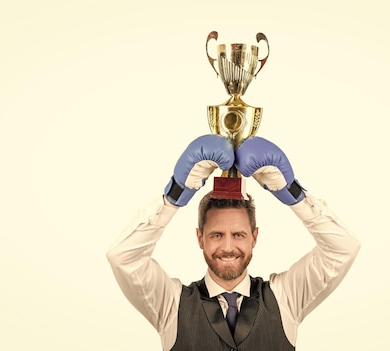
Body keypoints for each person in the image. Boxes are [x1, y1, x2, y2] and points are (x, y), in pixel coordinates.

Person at [107, 134, 361, 350]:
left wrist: (293, 193)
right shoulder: (170, 303)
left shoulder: (286, 297)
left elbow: (343, 249)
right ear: (200, 238)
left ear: (254, 237)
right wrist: (175, 195)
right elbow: (123, 258)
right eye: (217, 235)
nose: (228, 247)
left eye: (238, 234)